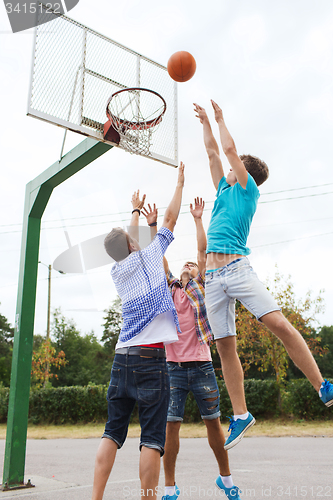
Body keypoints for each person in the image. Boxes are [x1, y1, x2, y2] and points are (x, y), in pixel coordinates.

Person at [193, 100, 333, 451]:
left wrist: (222, 118)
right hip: (212, 279)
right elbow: (213, 153)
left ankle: (322, 385)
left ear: (243, 172)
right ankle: (241, 415)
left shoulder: (246, 188)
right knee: (225, 347)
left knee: (280, 325)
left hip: (238, 270)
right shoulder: (224, 190)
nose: (225, 169)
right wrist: (205, 122)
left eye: (233, 167)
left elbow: (227, 150)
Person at [91, 163, 185, 500]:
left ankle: (96, 497)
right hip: (151, 357)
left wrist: (133, 214)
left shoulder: (118, 272)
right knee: (152, 439)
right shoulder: (149, 256)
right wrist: (179, 184)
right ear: (134, 243)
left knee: (112, 432)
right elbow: (171, 220)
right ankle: (148, 497)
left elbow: (123, 243)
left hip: (122, 356)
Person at [142, 198, 242, 500]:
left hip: (201, 366)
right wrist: (152, 226)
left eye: (192, 264)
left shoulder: (201, 284)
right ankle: (170, 488)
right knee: (170, 430)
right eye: (184, 264)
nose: (188, 264)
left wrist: (198, 219)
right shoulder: (170, 288)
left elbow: (201, 251)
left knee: (213, 424)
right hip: (172, 369)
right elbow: (158, 257)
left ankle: (226, 479)